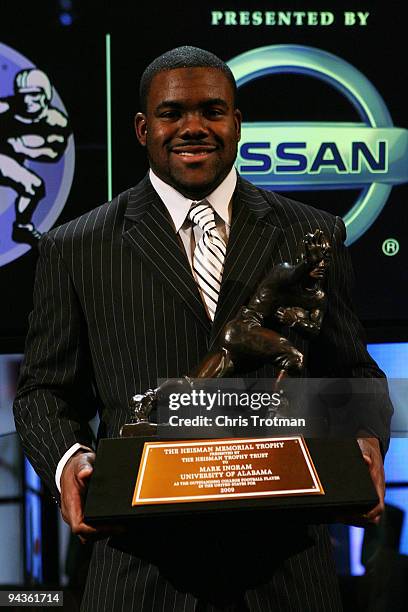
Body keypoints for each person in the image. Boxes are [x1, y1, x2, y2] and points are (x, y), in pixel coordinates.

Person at [14, 46, 392, 611]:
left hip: (287, 574)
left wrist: (365, 438)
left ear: (236, 124)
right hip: (140, 574)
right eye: (173, 113)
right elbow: (44, 391)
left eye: (212, 111)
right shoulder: (77, 247)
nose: (194, 127)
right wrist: (69, 461)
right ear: (143, 129)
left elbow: (351, 366)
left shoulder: (313, 233)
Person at [0, 68, 70, 246]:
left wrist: (24, 148)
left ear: (45, 94)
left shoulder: (56, 121)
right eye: (23, 94)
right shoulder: (5, 109)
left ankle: (21, 226)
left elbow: (54, 153)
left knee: (34, 187)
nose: (27, 100)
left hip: (12, 159)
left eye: (33, 94)